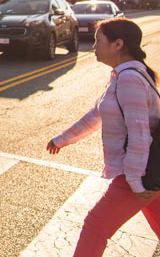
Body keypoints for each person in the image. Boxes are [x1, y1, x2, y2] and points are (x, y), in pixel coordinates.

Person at [46, 18, 160, 256]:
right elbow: (95, 115)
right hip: (146, 172)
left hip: (138, 173)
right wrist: (62, 139)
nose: (93, 47)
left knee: (95, 226)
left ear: (118, 44)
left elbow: (140, 134)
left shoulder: (129, 78)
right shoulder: (124, 76)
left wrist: (136, 183)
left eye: (98, 41)